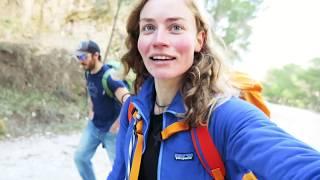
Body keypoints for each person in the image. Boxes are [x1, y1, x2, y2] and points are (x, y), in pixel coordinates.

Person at [108, 0, 320, 179]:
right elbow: (118, 173)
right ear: (139, 40)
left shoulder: (224, 116)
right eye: (148, 27)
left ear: (199, 40)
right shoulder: (133, 110)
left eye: (175, 27)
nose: (159, 40)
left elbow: (302, 167)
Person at [73, 40, 130, 180]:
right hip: (94, 126)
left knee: (120, 170)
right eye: (78, 57)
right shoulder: (88, 73)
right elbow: (92, 92)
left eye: (83, 57)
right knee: (80, 158)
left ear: (96, 55)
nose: (80, 61)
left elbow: (128, 100)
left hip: (112, 131)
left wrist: (117, 124)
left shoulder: (110, 76)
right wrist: (91, 110)